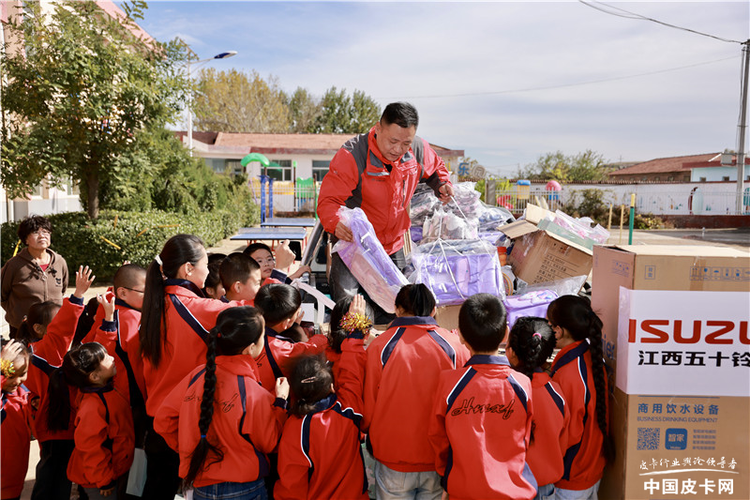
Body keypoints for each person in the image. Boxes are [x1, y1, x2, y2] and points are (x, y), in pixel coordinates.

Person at [316, 102, 454, 314]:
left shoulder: (417, 149)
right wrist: (334, 222)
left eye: (406, 143)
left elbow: (436, 169)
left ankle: (388, 345)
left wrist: (442, 184)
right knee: (349, 307)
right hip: (353, 244)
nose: (398, 149)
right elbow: (328, 200)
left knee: (397, 306)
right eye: (393, 141)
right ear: (378, 128)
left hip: (393, 244)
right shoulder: (352, 155)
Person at [139, 234, 246, 499]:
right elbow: (249, 312)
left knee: (155, 489)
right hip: (183, 423)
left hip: (155, 422)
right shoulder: (195, 307)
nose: (209, 271)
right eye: (206, 265)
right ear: (188, 268)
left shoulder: (153, 304)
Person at [154, 306, 289, 500]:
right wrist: (280, 402)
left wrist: (190, 447)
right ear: (250, 348)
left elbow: (163, 421)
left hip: (201, 487)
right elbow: (270, 442)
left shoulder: (196, 376)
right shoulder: (254, 392)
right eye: (263, 335)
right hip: (245, 487)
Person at [363, 284, 469, 500]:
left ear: (397, 309)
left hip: (393, 457)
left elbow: (369, 407)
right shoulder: (455, 346)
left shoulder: (380, 346)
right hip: (438, 458)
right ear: (433, 310)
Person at [428, 293, 537, 500]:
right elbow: (524, 438)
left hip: (464, 490)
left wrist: (447, 474)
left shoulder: (450, 383)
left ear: (461, 336)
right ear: (506, 334)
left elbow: (438, 438)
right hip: (512, 491)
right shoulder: (522, 384)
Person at [25, 266, 94, 500]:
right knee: (54, 478)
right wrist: (77, 297)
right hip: (59, 428)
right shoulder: (48, 348)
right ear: (39, 329)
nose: (66, 327)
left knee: (53, 475)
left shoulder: (32, 351)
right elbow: (62, 330)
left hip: (48, 425)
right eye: (58, 322)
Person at [275, 347, 368, 500]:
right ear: (331, 387)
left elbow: (291, 485)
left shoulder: (295, 427)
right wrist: (354, 339)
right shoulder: (348, 408)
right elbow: (351, 378)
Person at [47, 341, 134, 500]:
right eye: (106, 358)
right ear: (94, 376)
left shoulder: (106, 389)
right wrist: (104, 481)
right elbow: (91, 448)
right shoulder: (92, 407)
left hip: (112, 471)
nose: (112, 358)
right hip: (99, 480)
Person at [547, 295, 614, 500]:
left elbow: (567, 435)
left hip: (571, 478)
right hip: (590, 469)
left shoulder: (569, 375)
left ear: (560, 331)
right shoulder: (588, 357)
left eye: (550, 325)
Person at [507, 316, 570, 500]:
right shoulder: (556, 394)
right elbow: (563, 443)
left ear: (511, 353)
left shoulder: (503, 391)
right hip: (544, 489)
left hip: (509, 486)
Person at [252, 284, 329, 393]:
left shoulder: (248, 327)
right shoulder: (280, 348)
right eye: (297, 313)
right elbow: (310, 348)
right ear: (286, 323)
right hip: (272, 399)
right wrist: (325, 337)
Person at [1, 215, 69, 338]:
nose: (42, 235)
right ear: (25, 239)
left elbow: (62, 290)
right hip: (23, 330)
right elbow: (2, 295)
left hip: (54, 329)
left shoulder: (60, 262)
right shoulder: (14, 265)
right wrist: (17, 314)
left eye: (46, 232)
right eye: (36, 232)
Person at [1, 340, 32, 500]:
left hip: (15, 479)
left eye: (22, 374)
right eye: (9, 375)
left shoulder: (21, 394)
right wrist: (2, 367)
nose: (17, 381)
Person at [243, 243, 310, 286]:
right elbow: (274, 290)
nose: (266, 264)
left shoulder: (273, 281)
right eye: (259, 261)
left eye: (269, 259)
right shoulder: (250, 291)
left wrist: (296, 274)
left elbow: (282, 283)